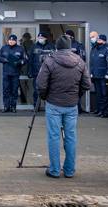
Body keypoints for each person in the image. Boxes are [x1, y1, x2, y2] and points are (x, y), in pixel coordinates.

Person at [36, 34, 91, 179]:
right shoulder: (79, 61)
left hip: (54, 103)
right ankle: (69, 170)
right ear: (70, 47)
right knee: (71, 137)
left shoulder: (49, 61)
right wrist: (76, 96)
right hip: (71, 105)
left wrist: (45, 97)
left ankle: (54, 170)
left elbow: (41, 84)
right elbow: (86, 84)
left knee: (54, 137)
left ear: (57, 47)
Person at [0, 34, 27, 113]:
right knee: (6, 90)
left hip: (15, 73)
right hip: (6, 73)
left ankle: (13, 107)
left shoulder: (20, 49)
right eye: (10, 40)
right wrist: (4, 60)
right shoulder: (4, 48)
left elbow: (25, 59)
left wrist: (19, 62)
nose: (11, 41)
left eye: (13, 40)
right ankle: (6, 107)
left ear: (15, 41)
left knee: (14, 91)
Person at [89, 32, 108, 117]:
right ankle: (99, 109)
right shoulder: (94, 49)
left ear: (104, 41)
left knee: (104, 94)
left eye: (99, 40)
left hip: (104, 76)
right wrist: (91, 73)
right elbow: (92, 63)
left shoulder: (107, 50)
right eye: (98, 39)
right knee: (98, 94)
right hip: (96, 75)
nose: (98, 41)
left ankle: (105, 111)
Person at [28, 32, 54, 107]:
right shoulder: (34, 46)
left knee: (49, 90)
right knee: (36, 90)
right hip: (37, 73)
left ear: (45, 38)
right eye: (39, 38)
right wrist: (29, 71)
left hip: (49, 73)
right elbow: (30, 60)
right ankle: (36, 106)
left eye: (42, 38)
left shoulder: (51, 46)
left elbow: (55, 59)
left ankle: (48, 106)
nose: (40, 39)